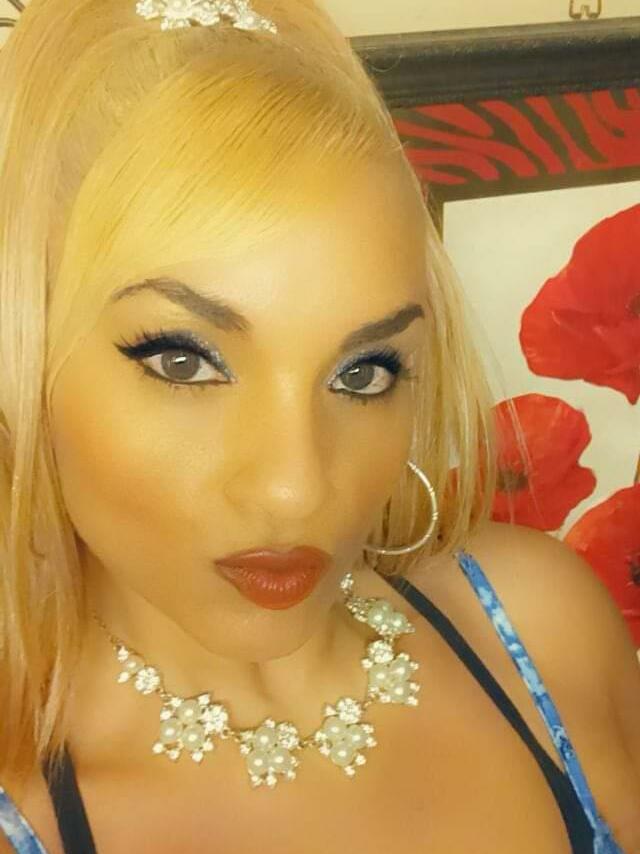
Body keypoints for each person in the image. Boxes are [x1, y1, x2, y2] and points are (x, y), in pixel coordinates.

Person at [0, 0, 638, 851]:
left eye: (362, 373)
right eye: (184, 363)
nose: (296, 488)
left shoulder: (538, 630)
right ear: (25, 354)